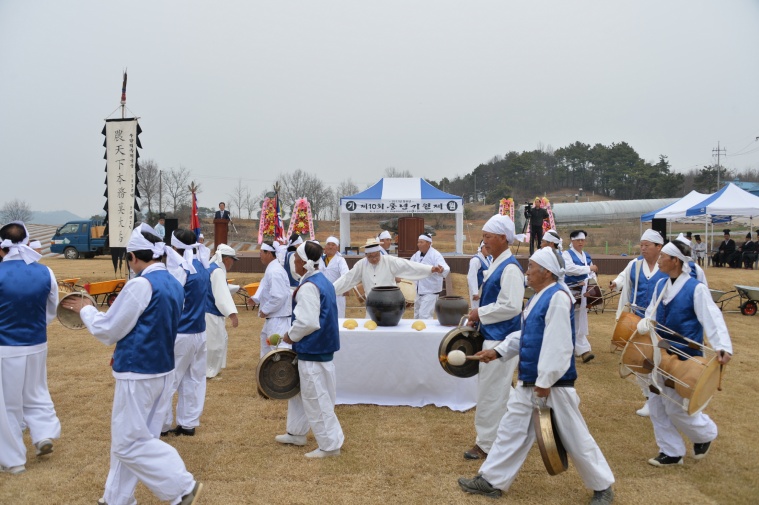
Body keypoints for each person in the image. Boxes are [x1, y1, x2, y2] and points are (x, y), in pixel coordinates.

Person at [458, 247, 615, 504]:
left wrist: (545, 381)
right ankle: (491, 480)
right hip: (530, 380)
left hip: (552, 384)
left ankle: (602, 486)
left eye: (531, 267)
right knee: (510, 430)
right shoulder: (538, 297)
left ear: (546, 272)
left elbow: (559, 343)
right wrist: (497, 352)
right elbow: (526, 336)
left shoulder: (558, 297)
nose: (527, 272)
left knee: (574, 435)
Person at [62, 224, 202, 505]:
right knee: (136, 438)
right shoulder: (174, 282)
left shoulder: (141, 284)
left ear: (134, 258)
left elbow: (109, 329)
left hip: (138, 371)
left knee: (129, 442)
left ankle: (182, 486)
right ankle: (117, 498)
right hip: (161, 369)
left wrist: (86, 309)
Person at [637, 240, 732, 467]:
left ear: (675, 261)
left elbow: (712, 317)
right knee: (657, 404)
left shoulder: (695, 288)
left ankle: (705, 434)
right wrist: (645, 322)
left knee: (677, 408)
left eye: (663, 257)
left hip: (685, 357)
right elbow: (652, 311)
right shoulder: (660, 285)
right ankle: (670, 452)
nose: (658, 260)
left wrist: (723, 346)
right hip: (659, 353)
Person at [0, 221, 60, 475]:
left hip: (5, 346)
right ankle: (44, 433)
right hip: (37, 342)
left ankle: (13, 460)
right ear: (26, 242)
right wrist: (35, 324)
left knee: (8, 404)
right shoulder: (45, 272)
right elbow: (52, 307)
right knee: (36, 392)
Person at [462, 215, 524, 461]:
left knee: (490, 393)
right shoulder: (498, 263)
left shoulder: (509, 268)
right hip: (494, 335)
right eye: (484, 235)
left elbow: (511, 306)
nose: (484, 240)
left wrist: (481, 312)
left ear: (502, 238)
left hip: (501, 340)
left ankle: (486, 444)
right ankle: (510, 434)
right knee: (501, 392)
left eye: (488, 236)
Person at [276, 241, 345, 458]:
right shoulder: (322, 281)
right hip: (316, 349)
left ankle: (330, 445)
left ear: (305, 263)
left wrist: (289, 335)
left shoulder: (309, 287)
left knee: (317, 398)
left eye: (296, 259)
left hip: (314, 350)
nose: (293, 263)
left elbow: (307, 323)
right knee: (300, 393)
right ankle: (296, 433)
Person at [609, 229, 668, 417]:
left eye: (647, 245)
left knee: (660, 362)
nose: (643, 249)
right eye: (641, 245)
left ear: (659, 247)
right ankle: (649, 399)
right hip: (636, 319)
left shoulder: (665, 267)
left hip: (660, 322)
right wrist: (616, 283)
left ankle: (663, 399)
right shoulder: (634, 264)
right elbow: (623, 277)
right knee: (639, 361)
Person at [161, 229, 211, 437]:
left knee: (168, 380)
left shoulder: (180, 269)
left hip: (181, 332)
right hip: (199, 330)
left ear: (175, 247)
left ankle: (161, 425)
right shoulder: (201, 265)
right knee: (194, 378)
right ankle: (188, 422)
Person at [332, 240, 444, 310]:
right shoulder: (361, 265)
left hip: (391, 305)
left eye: (376, 256)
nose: (374, 259)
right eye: (370, 257)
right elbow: (348, 279)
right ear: (365, 255)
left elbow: (408, 266)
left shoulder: (389, 261)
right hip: (371, 305)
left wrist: (430, 269)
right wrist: (330, 289)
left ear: (379, 253)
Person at [562, 230, 598, 363]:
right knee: (570, 319)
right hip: (570, 291)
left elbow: (592, 273)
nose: (581, 242)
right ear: (572, 241)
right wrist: (589, 270)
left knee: (579, 319)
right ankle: (582, 350)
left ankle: (580, 349)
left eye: (583, 240)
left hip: (584, 292)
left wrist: (591, 283)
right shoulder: (566, 254)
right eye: (578, 240)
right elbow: (569, 269)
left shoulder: (586, 255)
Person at [205, 244, 239, 378]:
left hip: (207, 312)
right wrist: (232, 314)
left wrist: (237, 287)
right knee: (214, 344)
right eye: (233, 260)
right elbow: (221, 296)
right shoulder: (217, 271)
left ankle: (211, 369)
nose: (233, 263)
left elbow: (221, 288)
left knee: (217, 341)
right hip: (211, 313)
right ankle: (209, 371)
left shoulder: (212, 268)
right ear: (226, 259)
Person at [254, 242, 292, 357]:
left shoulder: (275, 272)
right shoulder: (272, 269)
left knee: (278, 349)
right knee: (267, 346)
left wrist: (265, 310)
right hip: (274, 317)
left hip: (278, 318)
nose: (260, 255)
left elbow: (278, 296)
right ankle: (265, 373)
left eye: (261, 252)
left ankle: (278, 374)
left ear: (269, 253)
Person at [409, 234, 450, 319]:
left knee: (425, 316)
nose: (419, 244)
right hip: (418, 290)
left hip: (430, 291)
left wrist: (441, 270)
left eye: (421, 242)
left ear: (429, 243)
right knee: (416, 315)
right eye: (418, 242)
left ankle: (426, 332)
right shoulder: (417, 255)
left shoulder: (435, 254)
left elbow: (445, 268)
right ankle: (416, 332)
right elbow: (410, 265)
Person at [318, 236, 350, 317]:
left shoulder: (340, 260)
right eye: (328, 244)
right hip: (321, 293)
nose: (330, 247)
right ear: (325, 247)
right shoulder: (319, 259)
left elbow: (346, 274)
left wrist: (346, 287)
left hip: (336, 294)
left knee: (337, 317)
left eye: (333, 245)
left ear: (337, 247)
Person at [467, 241, 491, 309]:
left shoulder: (489, 259)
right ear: (481, 248)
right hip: (478, 291)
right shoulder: (476, 260)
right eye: (486, 247)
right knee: (477, 310)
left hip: (485, 290)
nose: (488, 249)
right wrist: (475, 292)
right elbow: (471, 277)